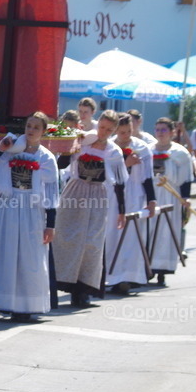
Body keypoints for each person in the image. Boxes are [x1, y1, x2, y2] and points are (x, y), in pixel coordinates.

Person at [0, 113, 60, 321]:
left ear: (43, 131)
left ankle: (26, 304)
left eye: (35, 127)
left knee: (29, 256)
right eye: (28, 125)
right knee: (6, 253)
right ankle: (5, 302)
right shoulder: (11, 151)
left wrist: (50, 225)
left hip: (31, 211)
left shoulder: (46, 158)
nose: (30, 130)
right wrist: (1, 149)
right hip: (8, 206)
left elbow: (51, 193)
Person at [53, 110, 127, 308]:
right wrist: (71, 146)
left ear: (114, 130)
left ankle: (83, 290)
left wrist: (122, 211)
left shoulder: (113, 151)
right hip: (75, 190)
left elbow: (120, 184)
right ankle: (57, 282)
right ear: (98, 124)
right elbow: (61, 164)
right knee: (66, 236)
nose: (104, 132)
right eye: (102, 127)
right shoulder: (83, 140)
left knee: (91, 242)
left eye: (109, 130)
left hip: (97, 195)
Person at [106, 113, 156, 295]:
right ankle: (111, 276)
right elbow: (107, 174)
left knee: (131, 237)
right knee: (112, 235)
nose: (125, 136)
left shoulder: (141, 147)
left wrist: (151, 200)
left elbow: (148, 177)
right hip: (113, 198)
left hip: (134, 196)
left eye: (128, 131)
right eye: (121, 132)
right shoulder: (110, 147)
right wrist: (126, 164)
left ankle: (128, 277)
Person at [149, 117, 193, 285]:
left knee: (166, 232)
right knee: (150, 230)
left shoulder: (180, 153)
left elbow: (186, 179)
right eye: (158, 129)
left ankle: (163, 269)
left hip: (171, 196)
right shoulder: (149, 150)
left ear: (172, 132)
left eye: (164, 130)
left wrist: (185, 199)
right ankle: (148, 267)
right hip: (153, 195)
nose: (160, 133)